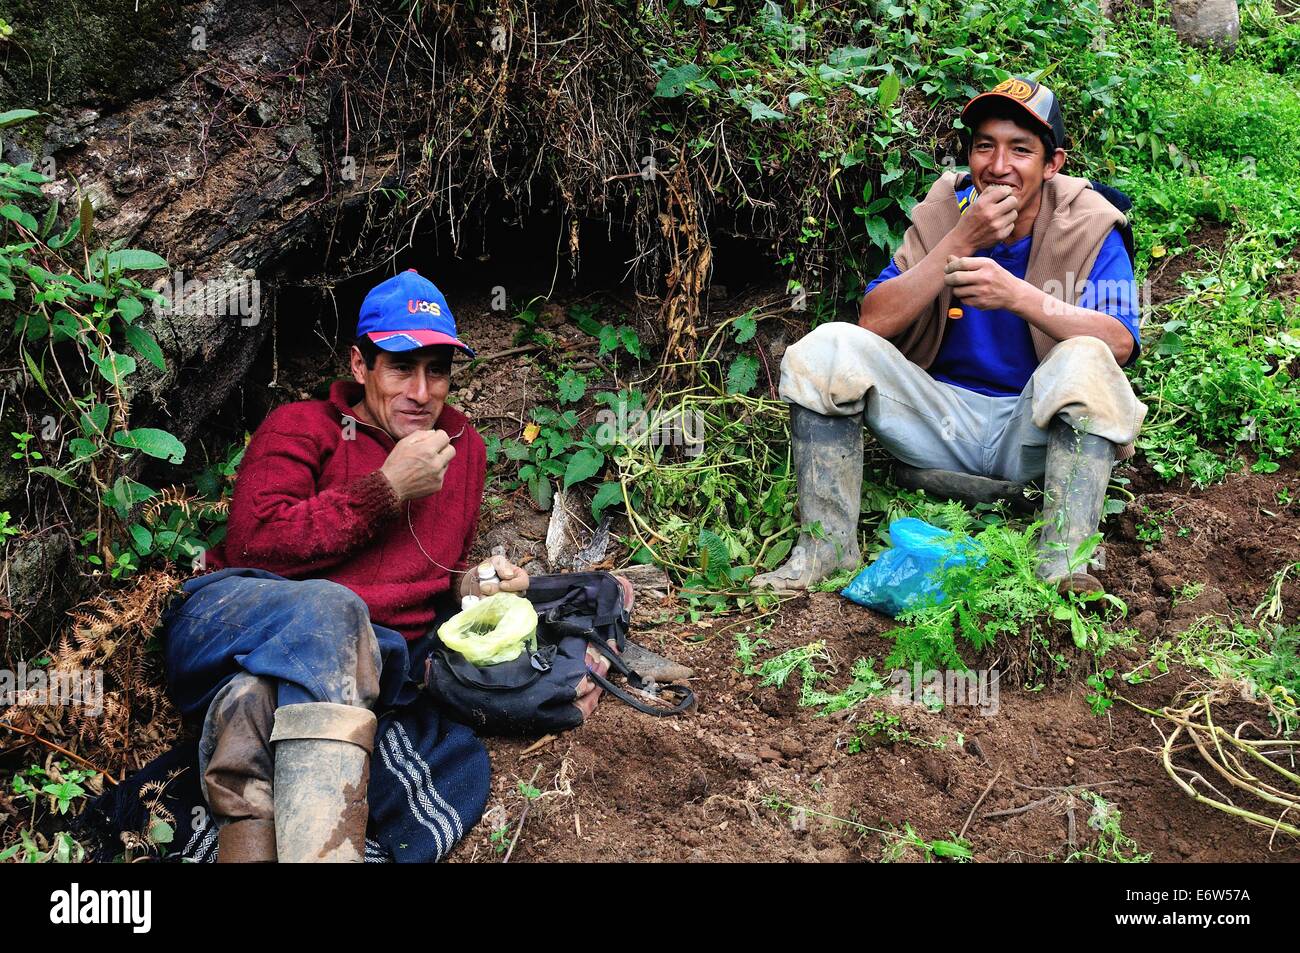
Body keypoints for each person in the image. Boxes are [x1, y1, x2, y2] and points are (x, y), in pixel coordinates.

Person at [159, 269, 611, 862]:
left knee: (256, 697)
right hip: (231, 618)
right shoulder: (302, 426)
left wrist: (471, 583)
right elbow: (254, 544)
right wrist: (387, 488)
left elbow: (428, 566)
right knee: (336, 611)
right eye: (401, 367)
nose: (421, 392)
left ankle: (249, 845)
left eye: (437, 369)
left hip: (342, 662)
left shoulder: (461, 448)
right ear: (359, 365)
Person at [751, 77, 1147, 595]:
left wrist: (1018, 295)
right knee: (828, 346)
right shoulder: (946, 211)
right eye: (985, 145)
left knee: (1086, 355)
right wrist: (961, 241)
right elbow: (873, 320)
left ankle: (1063, 563)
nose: (998, 165)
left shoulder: (1091, 221)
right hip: (936, 419)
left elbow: (1119, 342)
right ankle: (825, 551)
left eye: (1021, 150)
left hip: (1029, 431)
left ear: (1053, 165)